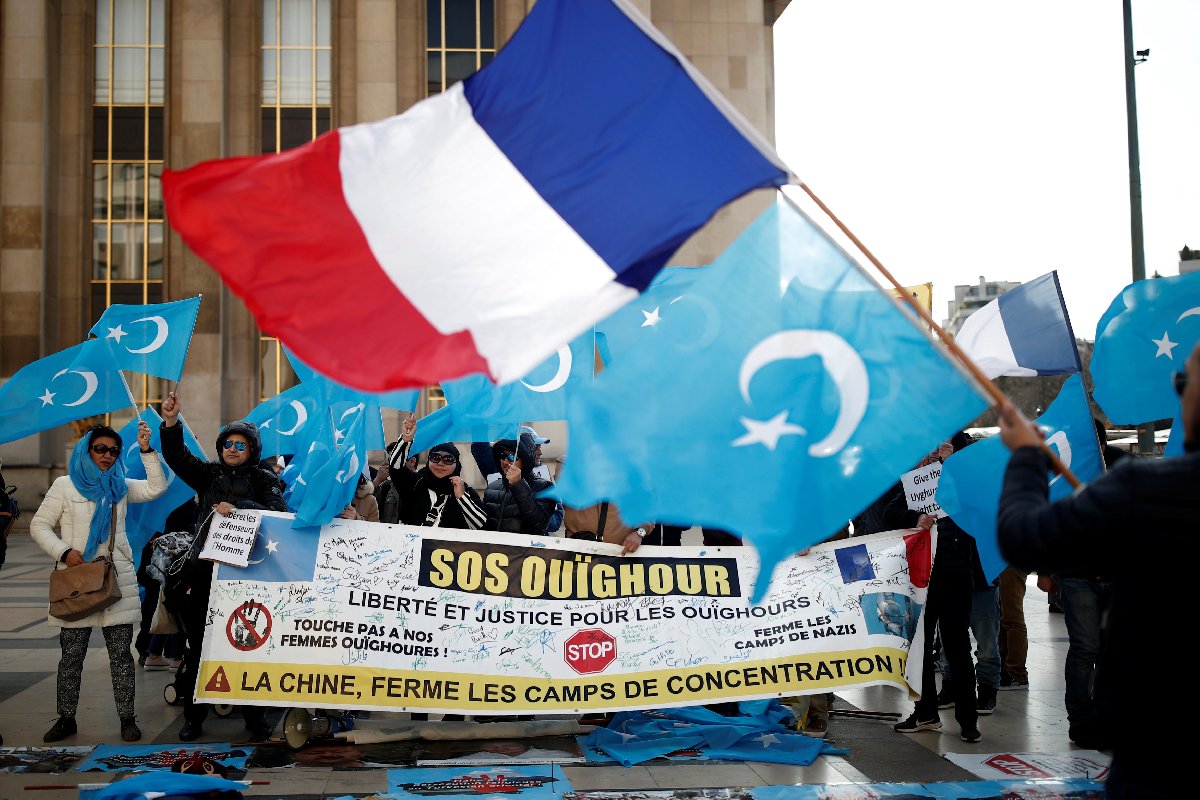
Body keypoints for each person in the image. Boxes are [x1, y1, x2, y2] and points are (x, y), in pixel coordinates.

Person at [995, 344, 1200, 798]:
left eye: (1182, 383)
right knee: (1086, 647)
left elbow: (1022, 535)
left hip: (1160, 752)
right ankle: (1082, 720)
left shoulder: (1148, 488)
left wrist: (1028, 456)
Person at [159, 390, 287, 742]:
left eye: (240, 444)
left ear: (252, 450)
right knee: (200, 646)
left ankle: (255, 719)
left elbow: (279, 515)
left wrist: (240, 504)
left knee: (248, 647)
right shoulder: (208, 475)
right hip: (206, 572)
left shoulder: (265, 479)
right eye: (227, 443)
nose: (232, 448)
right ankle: (193, 718)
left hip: (248, 577)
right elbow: (177, 457)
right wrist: (170, 423)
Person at [29, 421, 165, 744]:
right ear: (87, 449)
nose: (107, 455)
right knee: (71, 656)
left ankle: (127, 719)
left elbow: (155, 487)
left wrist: (146, 450)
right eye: (100, 448)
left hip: (115, 584)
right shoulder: (64, 485)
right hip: (77, 581)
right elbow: (39, 525)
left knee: (121, 656)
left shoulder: (120, 486)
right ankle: (66, 718)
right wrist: (64, 552)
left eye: (113, 451)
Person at [892, 434, 983, 744]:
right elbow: (889, 512)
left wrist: (950, 468)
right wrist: (915, 516)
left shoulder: (960, 477)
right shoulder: (914, 479)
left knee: (958, 647)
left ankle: (968, 719)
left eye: (941, 447)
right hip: (921, 576)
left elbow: (976, 507)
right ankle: (926, 711)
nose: (935, 451)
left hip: (956, 572)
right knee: (920, 646)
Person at [386, 417, 486, 531]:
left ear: (457, 465)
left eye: (448, 459)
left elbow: (481, 526)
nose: (440, 463)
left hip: (447, 549)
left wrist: (462, 498)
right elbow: (395, 467)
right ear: (428, 461)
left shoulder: (465, 491)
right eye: (435, 458)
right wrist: (405, 440)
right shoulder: (414, 483)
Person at [482, 433, 555, 534]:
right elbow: (486, 525)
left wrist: (518, 485)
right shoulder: (492, 487)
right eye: (502, 456)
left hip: (526, 549)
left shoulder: (545, 487)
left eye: (512, 456)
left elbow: (539, 524)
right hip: (496, 549)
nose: (506, 461)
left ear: (526, 459)